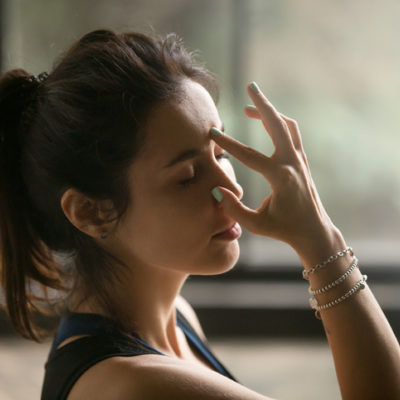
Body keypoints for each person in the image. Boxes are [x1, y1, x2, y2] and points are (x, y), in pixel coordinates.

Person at [0, 27, 399, 400]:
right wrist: (319, 239)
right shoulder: (132, 384)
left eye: (221, 155)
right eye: (188, 176)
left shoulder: (175, 318)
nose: (232, 188)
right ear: (90, 212)